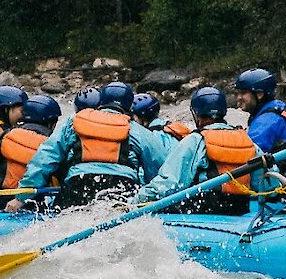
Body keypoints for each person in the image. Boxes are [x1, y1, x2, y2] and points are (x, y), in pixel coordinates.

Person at [15, 80, 172, 210]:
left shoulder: (73, 122)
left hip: (77, 188)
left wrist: (22, 197)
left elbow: (45, 158)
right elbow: (161, 170)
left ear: (101, 101)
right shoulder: (137, 131)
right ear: (130, 107)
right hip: (121, 193)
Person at [129, 85, 270, 215]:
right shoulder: (246, 140)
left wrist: (136, 201)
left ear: (196, 114)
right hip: (240, 208)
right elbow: (267, 181)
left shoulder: (196, 140)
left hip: (204, 209)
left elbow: (170, 183)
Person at [233, 68, 286, 153]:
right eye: (237, 93)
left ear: (259, 94)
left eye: (243, 93)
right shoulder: (278, 106)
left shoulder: (265, 123)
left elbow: (247, 154)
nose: (238, 98)